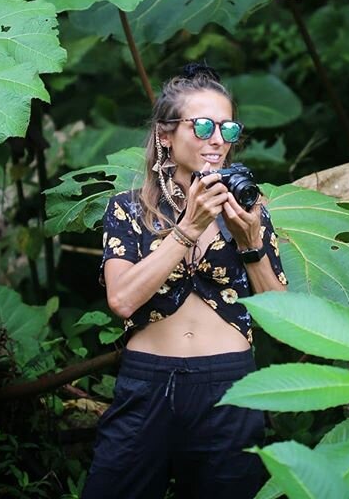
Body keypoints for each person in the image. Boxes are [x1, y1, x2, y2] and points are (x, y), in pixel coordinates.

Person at [81, 63, 288, 499]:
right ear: (165, 134)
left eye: (227, 128)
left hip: (228, 382)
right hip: (147, 381)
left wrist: (251, 241)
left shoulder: (250, 209)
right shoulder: (128, 209)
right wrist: (187, 229)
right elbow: (121, 300)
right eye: (204, 126)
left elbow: (282, 318)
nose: (217, 139)